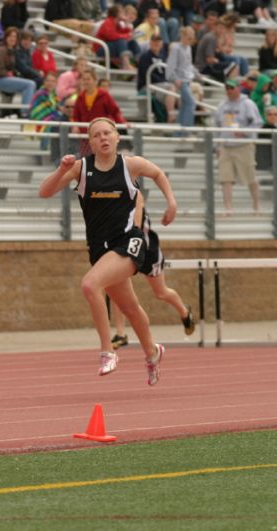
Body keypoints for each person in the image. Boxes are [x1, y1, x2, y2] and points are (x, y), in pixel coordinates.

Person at [38, 117, 177, 385]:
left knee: (90, 285)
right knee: (129, 306)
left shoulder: (130, 165)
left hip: (129, 242)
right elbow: (44, 192)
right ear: (89, 143)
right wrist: (60, 170)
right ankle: (152, 352)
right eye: (96, 135)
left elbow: (158, 173)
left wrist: (171, 202)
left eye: (107, 133)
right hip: (100, 249)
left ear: (116, 138)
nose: (102, 138)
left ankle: (107, 351)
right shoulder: (80, 169)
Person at [110, 195, 195, 349]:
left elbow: (136, 221)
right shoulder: (110, 194)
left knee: (161, 292)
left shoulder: (132, 192)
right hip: (126, 248)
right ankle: (121, 334)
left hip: (148, 250)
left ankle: (184, 312)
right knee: (117, 286)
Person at [213, 78, 262, 214]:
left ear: (238, 88)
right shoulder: (222, 105)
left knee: (251, 177)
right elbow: (217, 126)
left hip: (243, 146)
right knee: (225, 178)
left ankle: (256, 206)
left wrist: (244, 132)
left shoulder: (248, 104)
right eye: (227, 88)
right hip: (226, 146)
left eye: (232, 88)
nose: (229, 90)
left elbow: (257, 123)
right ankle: (228, 208)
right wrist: (217, 145)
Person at [72, 69, 125, 156]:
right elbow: (76, 115)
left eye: (88, 79)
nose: (86, 81)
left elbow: (115, 112)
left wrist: (123, 124)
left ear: (95, 80)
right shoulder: (80, 96)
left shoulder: (104, 95)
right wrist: (75, 125)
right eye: (84, 79)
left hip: (101, 134)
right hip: (86, 136)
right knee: (87, 160)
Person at [0, 27, 36, 117]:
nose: (13, 38)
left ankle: (24, 110)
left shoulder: (11, 50)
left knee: (29, 84)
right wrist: (10, 74)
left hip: (4, 79)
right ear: (6, 37)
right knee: (30, 84)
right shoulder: (1, 50)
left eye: (15, 37)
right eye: (10, 36)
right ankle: (25, 113)